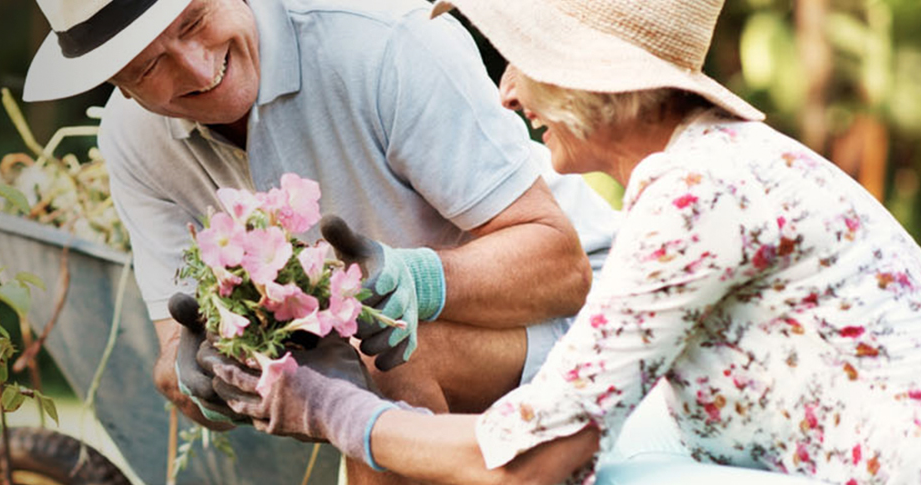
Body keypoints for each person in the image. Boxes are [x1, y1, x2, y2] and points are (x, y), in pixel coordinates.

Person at [212, 0, 921, 483]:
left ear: (595, 82)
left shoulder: (701, 194)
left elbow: (534, 458)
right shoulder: (702, 171)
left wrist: (327, 408)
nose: (506, 94)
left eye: (521, 61)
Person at [20, 0, 621, 481]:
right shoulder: (132, 141)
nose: (198, 71)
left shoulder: (383, 43)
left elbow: (564, 268)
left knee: (379, 346)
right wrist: (202, 375)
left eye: (195, 21)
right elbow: (175, 350)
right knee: (363, 348)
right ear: (118, 85)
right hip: (391, 382)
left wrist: (418, 280)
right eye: (148, 68)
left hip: (587, 328)